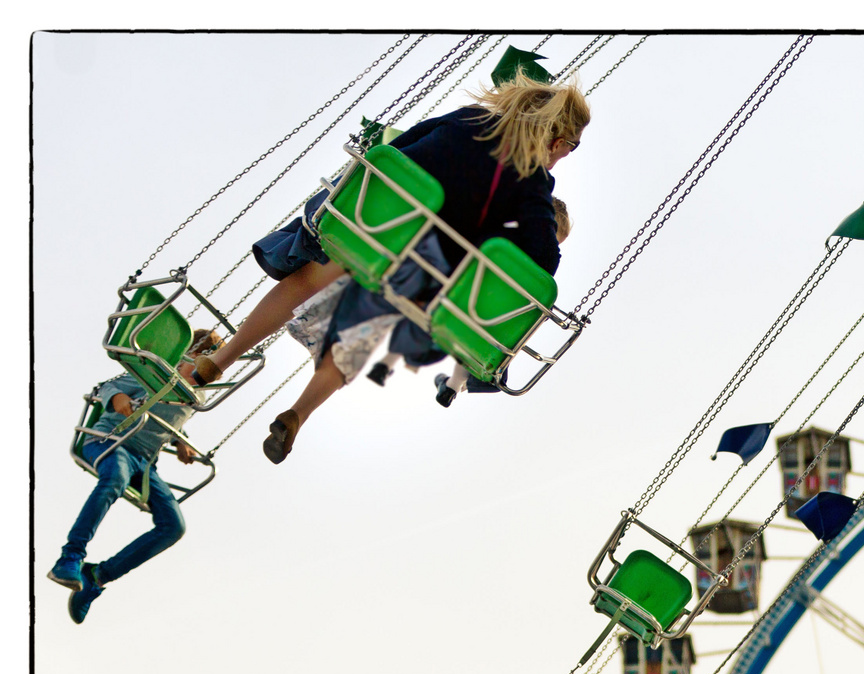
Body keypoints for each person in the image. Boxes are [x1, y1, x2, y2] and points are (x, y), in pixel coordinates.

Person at [191, 74, 589, 463]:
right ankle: (300, 413)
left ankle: (221, 359)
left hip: (371, 228)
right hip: (418, 273)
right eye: (568, 149)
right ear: (556, 141)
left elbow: (398, 148)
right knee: (361, 336)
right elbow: (543, 260)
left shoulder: (467, 118)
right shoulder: (534, 184)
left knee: (307, 280)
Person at [48, 330, 220, 623]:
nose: (204, 377)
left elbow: (167, 420)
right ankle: (70, 557)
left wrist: (180, 442)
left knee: (173, 526)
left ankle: (96, 577)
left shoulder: (192, 398)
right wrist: (117, 397)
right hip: (109, 441)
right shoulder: (155, 372)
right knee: (114, 479)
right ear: (190, 356)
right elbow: (107, 387)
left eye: (211, 374)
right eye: (203, 367)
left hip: (144, 462)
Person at [428, 196, 573, 407]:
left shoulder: (513, 228)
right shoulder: (549, 262)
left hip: (467, 298)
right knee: (491, 361)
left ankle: (454, 384)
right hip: (496, 323)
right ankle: (456, 385)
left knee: (476, 322)